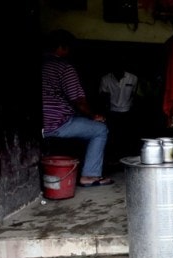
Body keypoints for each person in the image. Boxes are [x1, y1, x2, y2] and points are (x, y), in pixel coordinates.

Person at [41, 29, 113, 187]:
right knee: (100, 129)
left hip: (39, 125)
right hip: (57, 124)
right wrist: (94, 115)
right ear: (62, 47)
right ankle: (90, 176)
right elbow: (79, 101)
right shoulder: (64, 68)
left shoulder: (39, 65)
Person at [98, 58, 139, 163]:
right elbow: (103, 97)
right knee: (112, 138)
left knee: (126, 138)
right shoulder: (106, 79)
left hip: (127, 112)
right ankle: (113, 160)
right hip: (112, 112)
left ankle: (126, 160)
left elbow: (135, 95)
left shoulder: (133, 78)